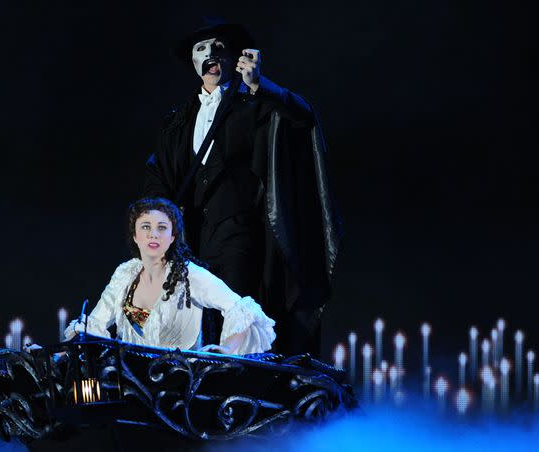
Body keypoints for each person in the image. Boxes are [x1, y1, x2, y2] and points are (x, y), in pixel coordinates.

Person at [143, 22, 341, 356]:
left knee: (234, 317)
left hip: (240, 235)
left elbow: (302, 118)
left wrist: (260, 85)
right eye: (201, 48)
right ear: (193, 62)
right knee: (188, 324)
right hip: (191, 238)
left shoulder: (254, 105)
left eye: (218, 46)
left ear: (234, 56)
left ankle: (235, 390)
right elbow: (158, 174)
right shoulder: (177, 121)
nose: (210, 54)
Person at [64, 197, 275, 355]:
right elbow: (94, 326)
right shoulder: (125, 275)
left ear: (173, 236)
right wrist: (62, 355)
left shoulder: (189, 274)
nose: (153, 234)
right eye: (146, 227)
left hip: (179, 389)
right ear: (135, 236)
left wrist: (226, 350)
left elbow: (243, 310)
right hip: (133, 385)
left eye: (162, 228)